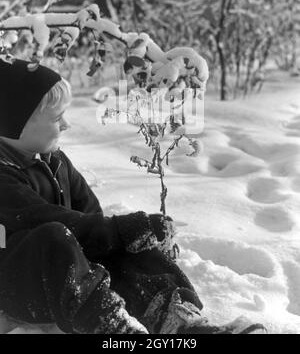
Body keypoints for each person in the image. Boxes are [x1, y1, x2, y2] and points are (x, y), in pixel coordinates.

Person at [0, 59, 265, 335]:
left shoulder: (55, 160)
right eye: (57, 118)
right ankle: (112, 328)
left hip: (69, 280)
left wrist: (131, 237)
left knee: (129, 244)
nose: (66, 124)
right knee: (54, 237)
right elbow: (46, 218)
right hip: (18, 286)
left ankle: (179, 321)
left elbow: (91, 217)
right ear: (14, 123)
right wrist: (122, 229)